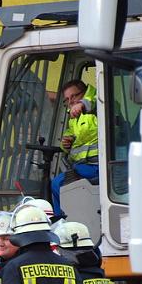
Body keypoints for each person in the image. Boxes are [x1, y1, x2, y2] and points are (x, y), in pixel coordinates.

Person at [51, 80, 99, 217]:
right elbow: (69, 134)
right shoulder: (74, 119)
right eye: (67, 99)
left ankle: (64, 222)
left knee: (60, 184)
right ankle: (62, 221)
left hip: (99, 166)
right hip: (83, 166)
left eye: (74, 96)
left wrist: (82, 104)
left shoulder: (101, 100)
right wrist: (65, 144)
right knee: (56, 184)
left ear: (84, 93)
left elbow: (95, 103)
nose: (71, 101)